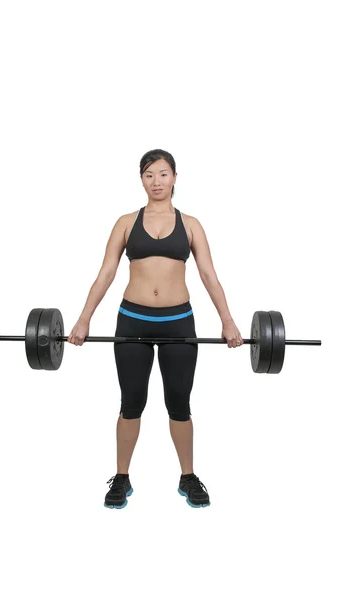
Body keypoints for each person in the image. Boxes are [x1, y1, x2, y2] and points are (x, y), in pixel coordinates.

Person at [67, 149, 243, 509]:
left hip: (178, 323)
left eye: (163, 174)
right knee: (131, 403)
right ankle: (121, 478)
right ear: (141, 180)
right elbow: (106, 273)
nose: (156, 182)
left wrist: (227, 320)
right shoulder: (126, 222)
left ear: (175, 177)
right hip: (133, 320)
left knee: (179, 404)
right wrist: (84, 318)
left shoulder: (191, 223)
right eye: (149, 175)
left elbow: (209, 274)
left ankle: (188, 477)